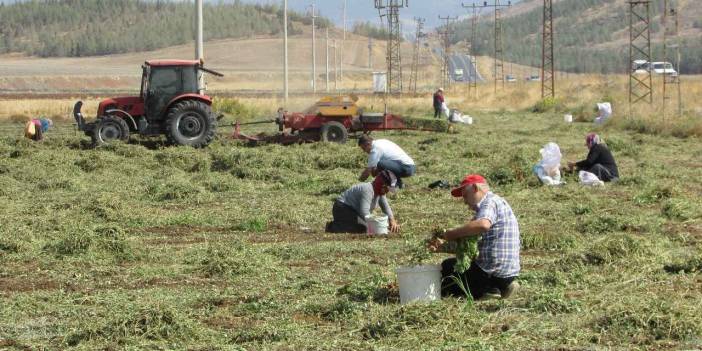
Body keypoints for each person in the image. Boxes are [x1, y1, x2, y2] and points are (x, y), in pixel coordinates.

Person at [428, 174, 521, 300]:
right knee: (458, 265)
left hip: (490, 271)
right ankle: (502, 286)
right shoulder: (495, 204)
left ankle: (486, 290)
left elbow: (483, 225)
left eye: (465, 195)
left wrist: (451, 234)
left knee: (448, 268)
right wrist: (441, 247)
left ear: (476, 188)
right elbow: (469, 245)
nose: (465, 201)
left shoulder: (490, 202)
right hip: (507, 273)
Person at [325, 170, 400, 234]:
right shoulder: (367, 189)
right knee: (362, 228)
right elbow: (364, 213)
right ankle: (332, 227)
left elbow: (385, 206)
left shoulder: (380, 193)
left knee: (366, 227)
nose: (387, 192)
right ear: (381, 185)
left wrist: (392, 220)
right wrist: (377, 226)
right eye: (386, 189)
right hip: (342, 208)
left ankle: (342, 224)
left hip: (353, 211)